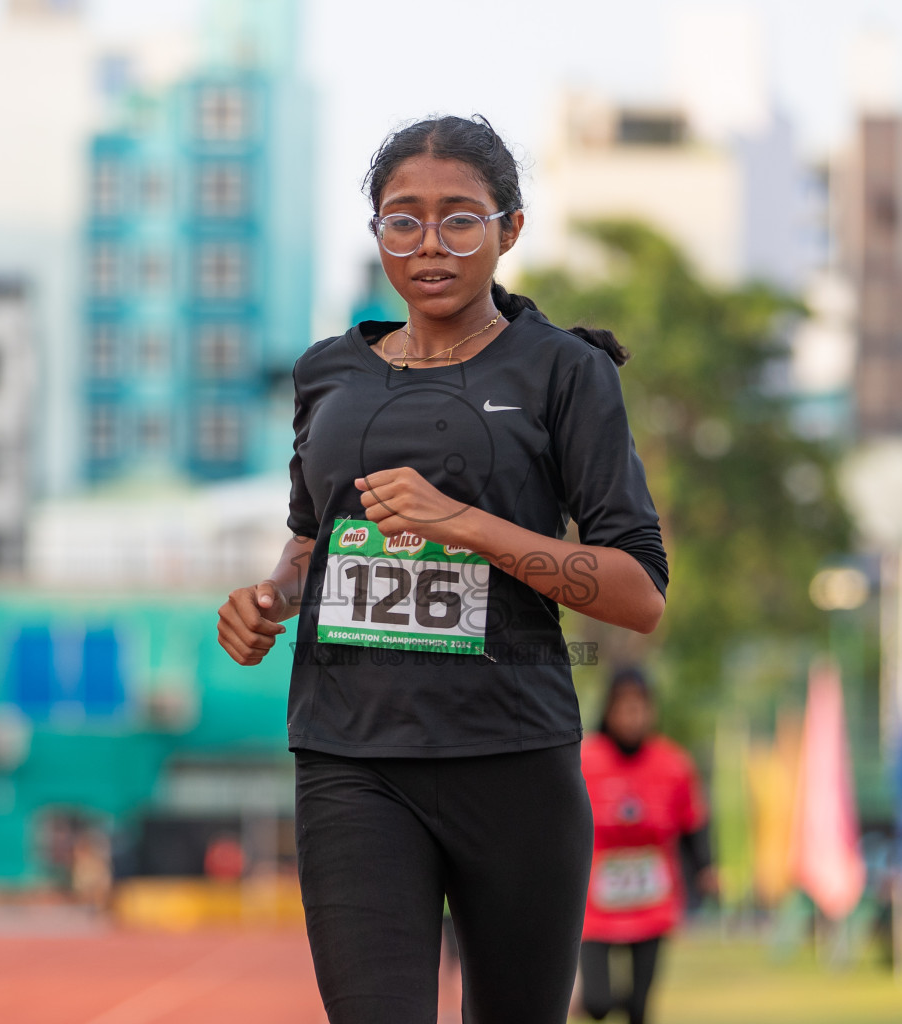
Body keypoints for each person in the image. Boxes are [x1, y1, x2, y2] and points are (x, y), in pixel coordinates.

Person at [216, 114, 668, 1024]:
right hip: (351, 756)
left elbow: (638, 593)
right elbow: (314, 536)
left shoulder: (565, 372)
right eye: (402, 219)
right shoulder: (328, 375)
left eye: (460, 218)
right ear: (377, 230)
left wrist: (465, 524)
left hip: (512, 759)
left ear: (510, 228)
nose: (430, 243)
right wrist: (274, 597)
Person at [579, 668, 709, 1024]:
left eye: (640, 707)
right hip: (595, 904)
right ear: (608, 710)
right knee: (597, 1002)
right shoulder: (584, 761)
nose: (632, 716)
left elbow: (693, 822)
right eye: (624, 707)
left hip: (653, 901)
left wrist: (706, 868)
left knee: (639, 1007)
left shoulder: (674, 764)